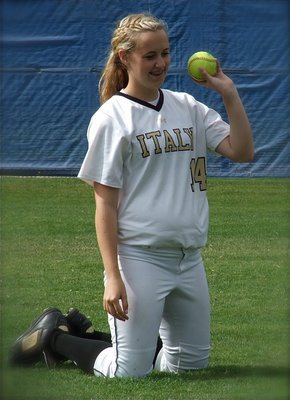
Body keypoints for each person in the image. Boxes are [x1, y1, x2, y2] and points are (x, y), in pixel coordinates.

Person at [10, 13, 254, 378]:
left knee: (189, 366)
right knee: (128, 371)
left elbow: (242, 151)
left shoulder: (187, 105)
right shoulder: (113, 117)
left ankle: (137, 340)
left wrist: (229, 93)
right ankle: (53, 338)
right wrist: (113, 275)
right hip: (139, 258)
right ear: (125, 57)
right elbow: (104, 204)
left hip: (188, 258)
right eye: (150, 55)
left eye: (166, 53)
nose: (161, 63)